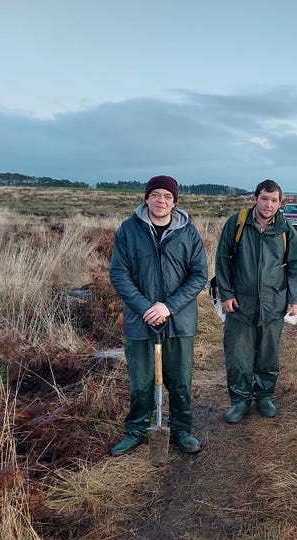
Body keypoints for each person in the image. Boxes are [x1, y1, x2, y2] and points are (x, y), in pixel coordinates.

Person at [109, 175, 208, 455]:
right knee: (140, 381)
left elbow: (199, 274)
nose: (161, 201)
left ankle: (181, 430)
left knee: (180, 381)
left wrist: (168, 307)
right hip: (140, 321)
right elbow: (119, 272)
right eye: (156, 195)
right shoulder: (129, 230)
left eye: (167, 196)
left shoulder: (188, 232)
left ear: (174, 201)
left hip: (179, 321)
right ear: (146, 198)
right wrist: (145, 307)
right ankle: (137, 430)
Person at [215, 179, 297, 423]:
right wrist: (226, 294)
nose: (268, 204)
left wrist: (294, 298)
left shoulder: (285, 229)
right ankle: (239, 401)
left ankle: (264, 396)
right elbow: (222, 260)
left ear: (280, 203)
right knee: (238, 355)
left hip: (273, 303)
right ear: (255, 198)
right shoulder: (237, 223)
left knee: (268, 354)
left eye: (274, 200)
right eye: (264, 198)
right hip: (239, 304)